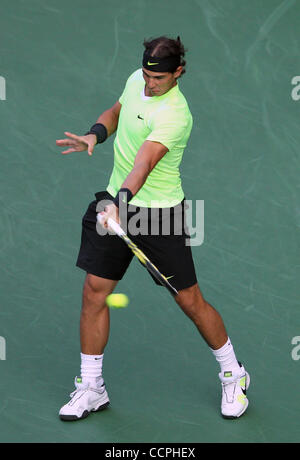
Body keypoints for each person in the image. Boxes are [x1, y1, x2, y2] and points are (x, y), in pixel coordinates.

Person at [56, 36, 250, 421]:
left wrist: (117, 207)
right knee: (95, 292)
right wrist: (96, 133)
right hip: (116, 203)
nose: (149, 83)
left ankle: (234, 373)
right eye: (146, 74)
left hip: (159, 216)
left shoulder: (176, 115)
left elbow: (143, 165)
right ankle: (92, 387)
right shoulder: (137, 81)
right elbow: (116, 110)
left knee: (189, 300)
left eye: (158, 78)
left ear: (178, 72)